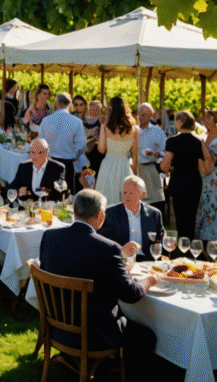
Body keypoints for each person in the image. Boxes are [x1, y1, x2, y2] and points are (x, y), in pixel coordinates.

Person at [39, 189, 159, 351]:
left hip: (58, 326)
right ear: (101, 215)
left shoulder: (49, 237)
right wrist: (147, 281)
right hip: (94, 334)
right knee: (147, 336)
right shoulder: (107, 249)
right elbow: (130, 295)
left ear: (75, 211)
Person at [161, 110, 213, 240]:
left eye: (176, 121)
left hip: (178, 183)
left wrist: (170, 167)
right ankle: (190, 248)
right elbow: (206, 165)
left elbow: (164, 166)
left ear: (180, 122)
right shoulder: (198, 142)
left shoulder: (172, 141)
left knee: (179, 220)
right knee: (191, 219)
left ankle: (181, 249)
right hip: (194, 184)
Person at [98, 176, 164, 262]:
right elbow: (103, 243)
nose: (126, 197)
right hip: (120, 262)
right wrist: (120, 252)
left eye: (131, 193)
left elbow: (159, 244)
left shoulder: (154, 215)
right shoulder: (110, 213)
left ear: (142, 195)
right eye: (124, 192)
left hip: (147, 263)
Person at [37, 92, 86, 193]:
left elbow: (40, 143)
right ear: (70, 104)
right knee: (66, 198)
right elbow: (82, 145)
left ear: (56, 103)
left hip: (50, 163)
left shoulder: (46, 120)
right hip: (68, 163)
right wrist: (74, 156)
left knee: (49, 197)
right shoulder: (77, 122)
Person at [96, 96, 139, 205]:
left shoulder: (106, 126)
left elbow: (101, 149)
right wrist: (134, 173)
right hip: (124, 166)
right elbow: (135, 154)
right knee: (125, 200)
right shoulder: (134, 129)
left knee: (105, 200)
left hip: (108, 165)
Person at [137, 103, 168, 218]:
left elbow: (165, 152)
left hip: (151, 167)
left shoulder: (158, 132)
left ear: (151, 115)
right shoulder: (133, 131)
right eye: (140, 114)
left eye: (145, 114)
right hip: (135, 168)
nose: (141, 117)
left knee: (155, 201)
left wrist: (156, 154)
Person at [195, 109, 217, 239]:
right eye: (205, 118)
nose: (206, 120)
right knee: (202, 206)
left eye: (209, 118)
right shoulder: (204, 136)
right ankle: (202, 240)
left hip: (214, 178)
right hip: (202, 178)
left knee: (213, 206)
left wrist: (202, 146)